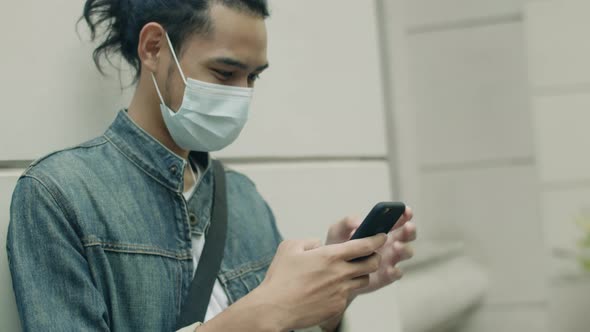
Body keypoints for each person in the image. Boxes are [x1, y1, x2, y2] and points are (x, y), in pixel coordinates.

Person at [6, 0, 417, 331]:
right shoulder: (59, 195)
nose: (242, 95)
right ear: (153, 48)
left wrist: (328, 299)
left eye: (253, 77)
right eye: (224, 73)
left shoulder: (242, 197)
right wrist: (257, 316)